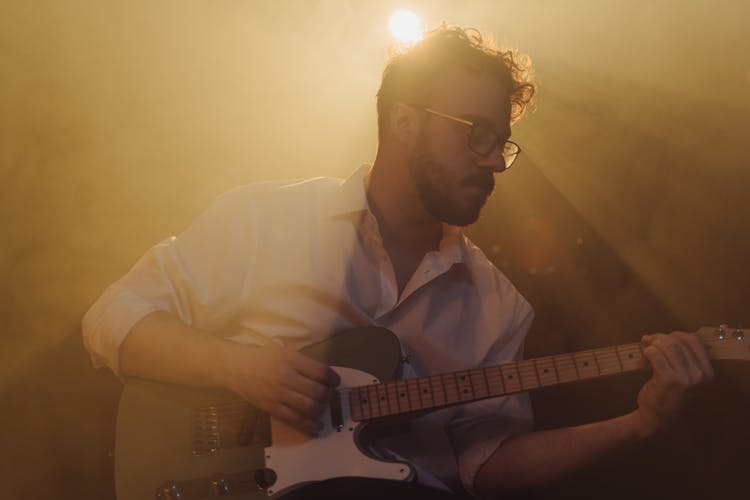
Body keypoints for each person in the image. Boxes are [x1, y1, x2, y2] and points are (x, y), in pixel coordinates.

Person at [83, 25, 713, 498]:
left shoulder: (499, 305)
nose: (495, 161)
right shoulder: (262, 219)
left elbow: (483, 466)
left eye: (503, 143)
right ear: (404, 122)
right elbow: (113, 317)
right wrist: (239, 367)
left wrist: (638, 423)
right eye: (476, 134)